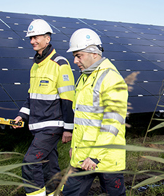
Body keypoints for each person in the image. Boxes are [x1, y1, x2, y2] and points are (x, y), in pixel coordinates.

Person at [62, 28, 128, 196]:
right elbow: (82, 119)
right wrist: (74, 148)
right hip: (83, 154)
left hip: (106, 156)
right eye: (74, 56)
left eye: (79, 55)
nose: (75, 61)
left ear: (94, 54)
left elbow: (112, 122)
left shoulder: (111, 78)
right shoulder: (84, 77)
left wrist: (95, 156)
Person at [13, 19, 75, 196]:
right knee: (49, 165)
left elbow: (68, 99)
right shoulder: (35, 67)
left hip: (51, 127)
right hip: (37, 126)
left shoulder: (60, 64)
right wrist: (21, 117)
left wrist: (68, 129)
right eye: (30, 38)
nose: (32, 41)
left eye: (36, 37)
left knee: (30, 163)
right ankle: (57, 193)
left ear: (47, 39)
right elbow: (31, 97)